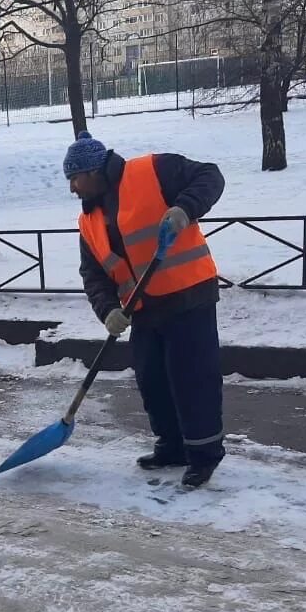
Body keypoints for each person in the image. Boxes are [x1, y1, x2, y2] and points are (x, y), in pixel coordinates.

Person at [65, 131, 226, 488]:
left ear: (93, 171)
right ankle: (172, 446)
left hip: (188, 294)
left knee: (191, 377)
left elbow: (210, 176)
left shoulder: (154, 170)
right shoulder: (89, 221)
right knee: (152, 378)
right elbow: (93, 275)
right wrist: (108, 311)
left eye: (74, 178)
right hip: (144, 307)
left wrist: (185, 209)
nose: (73, 188)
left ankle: (203, 455)